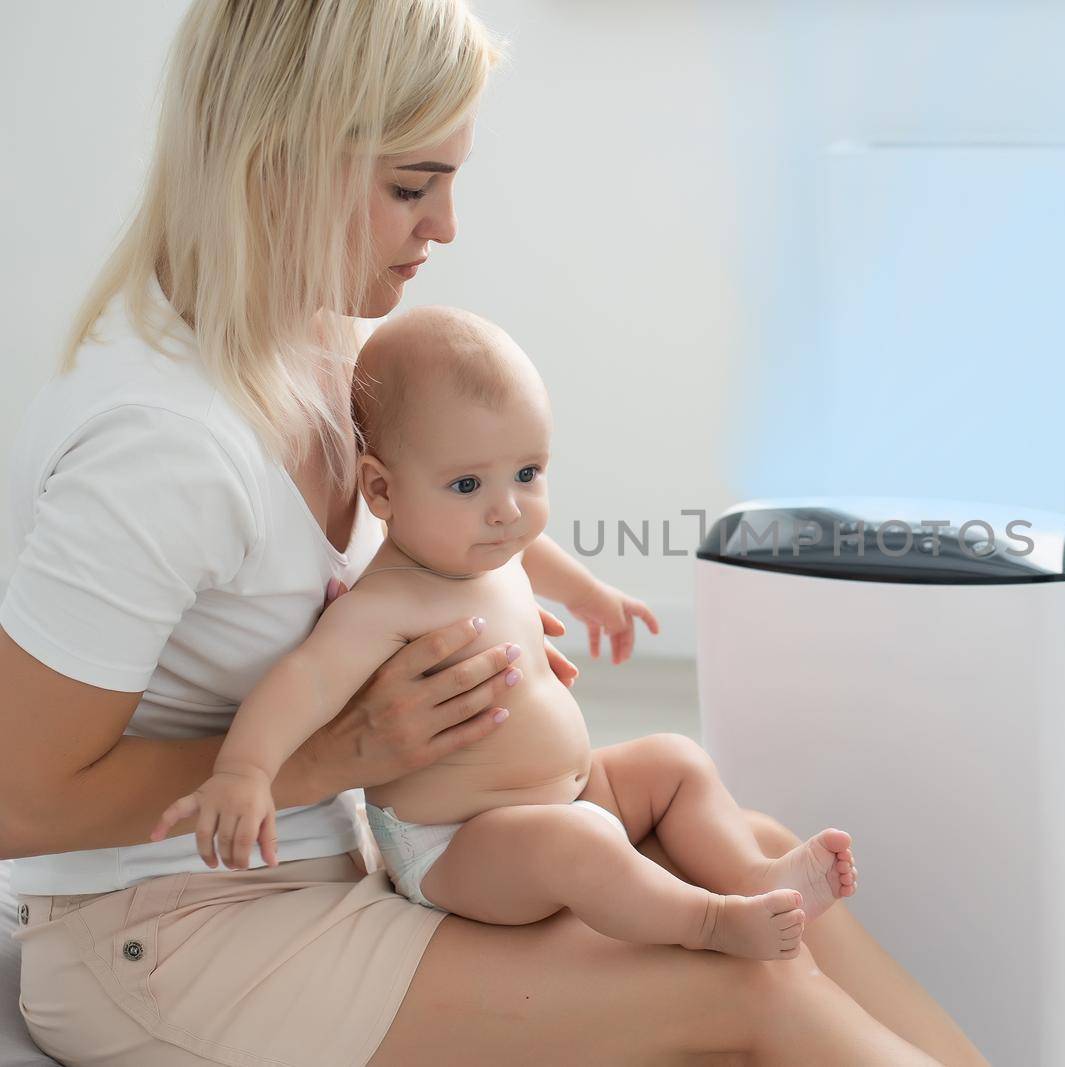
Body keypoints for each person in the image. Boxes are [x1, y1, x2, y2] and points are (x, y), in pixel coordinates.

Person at [0, 1, 990, 1064]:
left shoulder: (337, 344)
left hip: (340, 854)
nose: (445, 227)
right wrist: (353, 745)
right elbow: (20, 798)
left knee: (740, 850)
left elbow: (424, 571)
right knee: (746, 990)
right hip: (159, 931)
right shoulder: (164, 446)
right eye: (410, 187)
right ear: (273, 164)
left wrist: (481, 648)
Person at [151, 305, 858, 962]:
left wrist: (592, 597)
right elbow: (302, 681)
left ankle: (757, 874)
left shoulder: (482, 541)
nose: (507, 510)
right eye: (468, 485)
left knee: (675, 760)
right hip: (459, 847)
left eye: (528, 473)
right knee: (581, 842)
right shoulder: (386, 601)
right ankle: (709, 921)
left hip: (571, 791)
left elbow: (531, 549)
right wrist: (245, 770)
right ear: (383, 489)